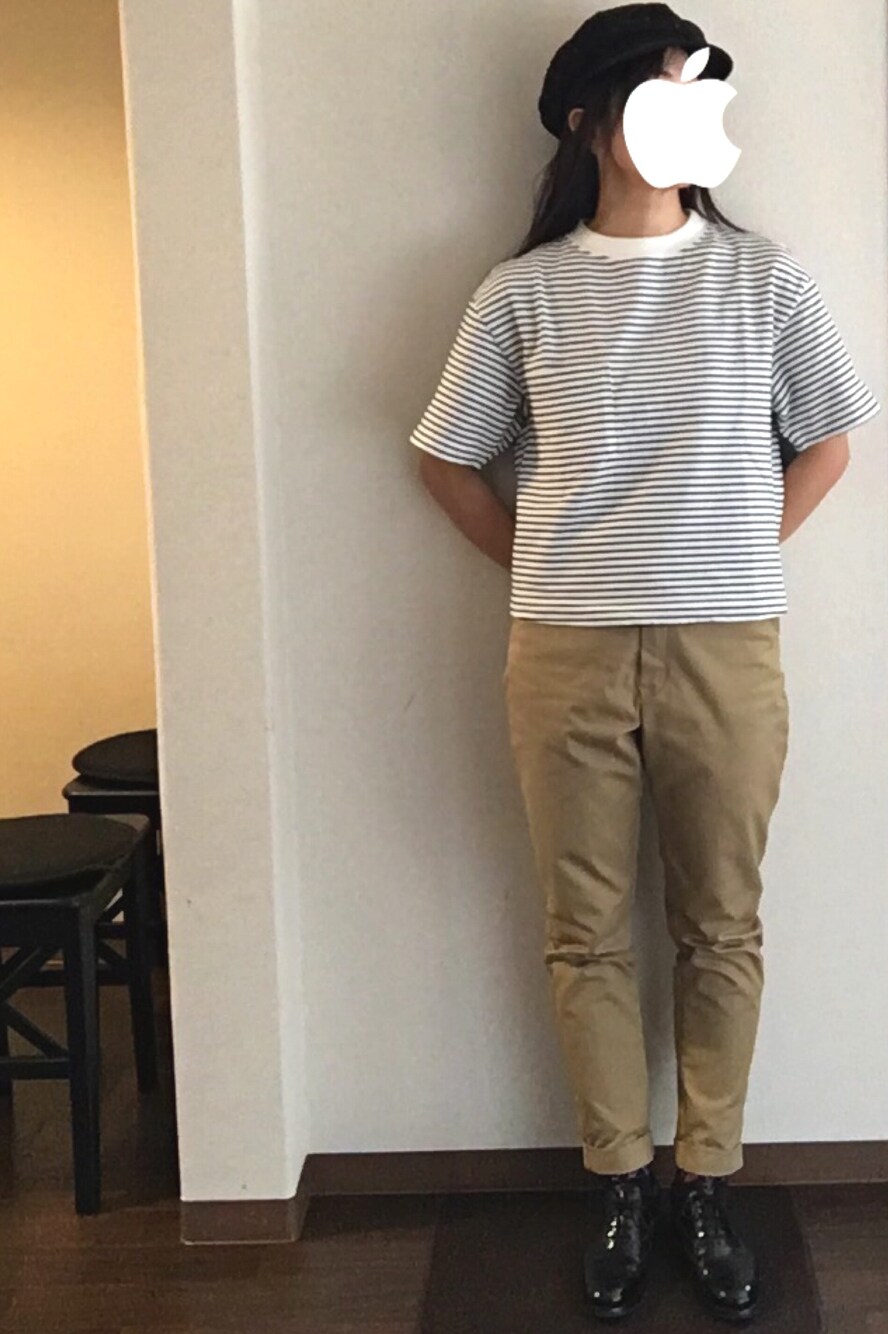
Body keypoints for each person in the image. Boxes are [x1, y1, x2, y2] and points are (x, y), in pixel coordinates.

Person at [409, 2, 882, 1324]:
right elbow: (446, 458)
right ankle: (619, 1176)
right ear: (589, 120)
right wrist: (547, 566)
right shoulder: (522, 293)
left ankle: (707, 1176)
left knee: (722, 919)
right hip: (561, 650)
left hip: (727, 646)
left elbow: (830, 439)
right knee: (584, 927)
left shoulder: (764, 281)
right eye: (665, 91)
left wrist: (728, 548)